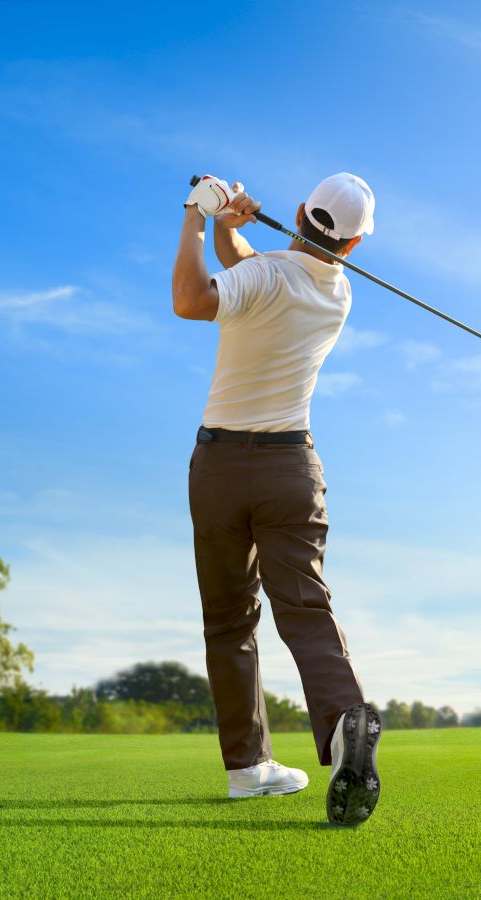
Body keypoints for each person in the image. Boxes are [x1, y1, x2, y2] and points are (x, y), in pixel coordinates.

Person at [172, 173, 382, 826]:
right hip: (291, 467)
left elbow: (193, 299)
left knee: (229, 622)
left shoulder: (267, 278)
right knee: (305, 605)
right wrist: (233, 228)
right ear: (351, 244)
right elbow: (256, 275)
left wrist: (196, 218)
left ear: (297, 212)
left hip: (220, 468)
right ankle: (344, 716)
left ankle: (246, 768)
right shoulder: (336, 292)